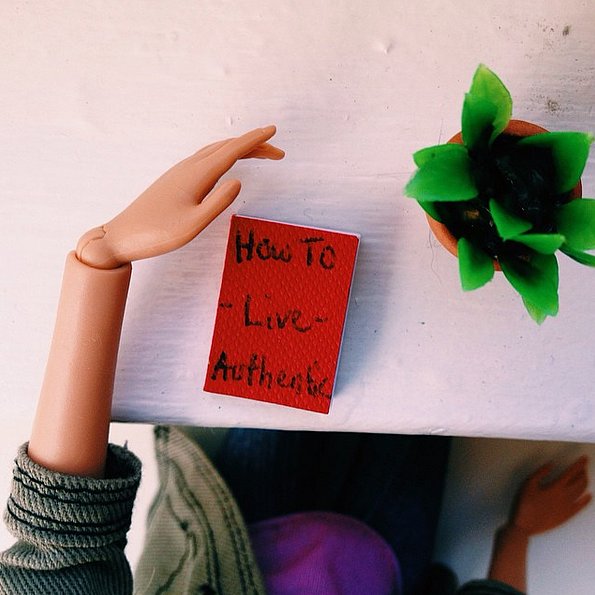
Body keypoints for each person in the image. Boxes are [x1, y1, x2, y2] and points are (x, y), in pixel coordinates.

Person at [0, 127, 590, 594]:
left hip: (234, 525)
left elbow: (60, 547)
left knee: (312, 282)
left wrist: (102, 257)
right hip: (380, 552)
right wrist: (516, 536)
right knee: (432, 345)